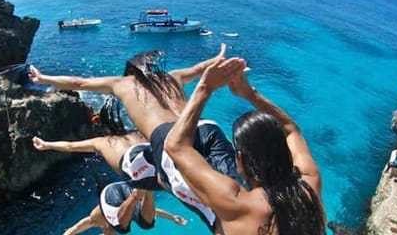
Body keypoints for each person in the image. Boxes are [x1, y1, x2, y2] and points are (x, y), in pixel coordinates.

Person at [28, 45, 248, 231]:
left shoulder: (123, 84)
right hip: (204, 126)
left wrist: (43, 78)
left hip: (171, 141)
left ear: (129, 72)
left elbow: (78, 83)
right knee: (242, 191)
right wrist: (220, 57)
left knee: (216, 215)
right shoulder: (173, 77)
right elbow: (201, 68)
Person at [163, 57, 324, 234]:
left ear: (240, 159)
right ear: (285, 151)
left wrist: (205, 88)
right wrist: (249, 93)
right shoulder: (309, 184)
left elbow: (175, 146)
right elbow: (291, 129)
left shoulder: (236, 203)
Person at [63, 181, 187, 235]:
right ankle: (145, 188)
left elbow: (74, 229)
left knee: (123, 226)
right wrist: (172, 217)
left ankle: (142, 189)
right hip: (124, 190)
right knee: (147, 223)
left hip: (112, 194)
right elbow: (154, 212)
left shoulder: (97, 218)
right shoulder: (114, 224)